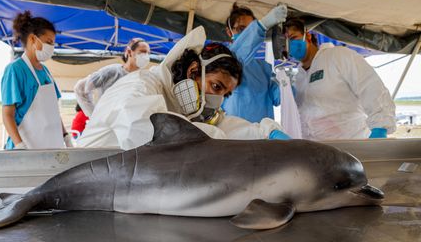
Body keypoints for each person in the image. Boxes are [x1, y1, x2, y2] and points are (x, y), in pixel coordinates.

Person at [77, 26, 290, 150]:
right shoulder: (141, 86)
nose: (217, 100)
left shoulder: (180, 104)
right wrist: (218, 139)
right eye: (216, 86)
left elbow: (223, 124)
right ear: (193, 71)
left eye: (225, 94)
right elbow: (149, 131)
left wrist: (266, 133)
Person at [283, 18, 396, 140]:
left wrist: (380, 127)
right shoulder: (298, 78)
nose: (291, 45)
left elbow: (371, 87)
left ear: (308, 36)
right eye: (286, 44)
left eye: (293, 38)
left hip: (351, 145)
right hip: (317, 151)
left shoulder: (338, 56)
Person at [1, 11, 72, 149]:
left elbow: (53, 111)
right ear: (33, 39)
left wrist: (65, 135)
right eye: (48, 42)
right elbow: (7, 115)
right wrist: (19, 145)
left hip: (51, 146)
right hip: (27, 148)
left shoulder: (45, 71)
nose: (52, 47)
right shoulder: (15, 70)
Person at [222, 3, 288, 123]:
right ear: (229, 32)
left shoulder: (264, 67)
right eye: (242, 29)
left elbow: (279, 99)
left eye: (250, 29)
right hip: (234, 136)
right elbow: (237, 57)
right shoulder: (223, 61)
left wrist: (286, 82)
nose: (248, 34)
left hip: (263, 135)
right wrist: (262, 26)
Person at [74, 38, 150, 116]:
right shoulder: (112, 72)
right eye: (142, 52)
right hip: (107, 123)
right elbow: (80, 87)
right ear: (129, 52)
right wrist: (93, 115)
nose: (146, 56)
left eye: (148, 53)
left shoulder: (142, 78)